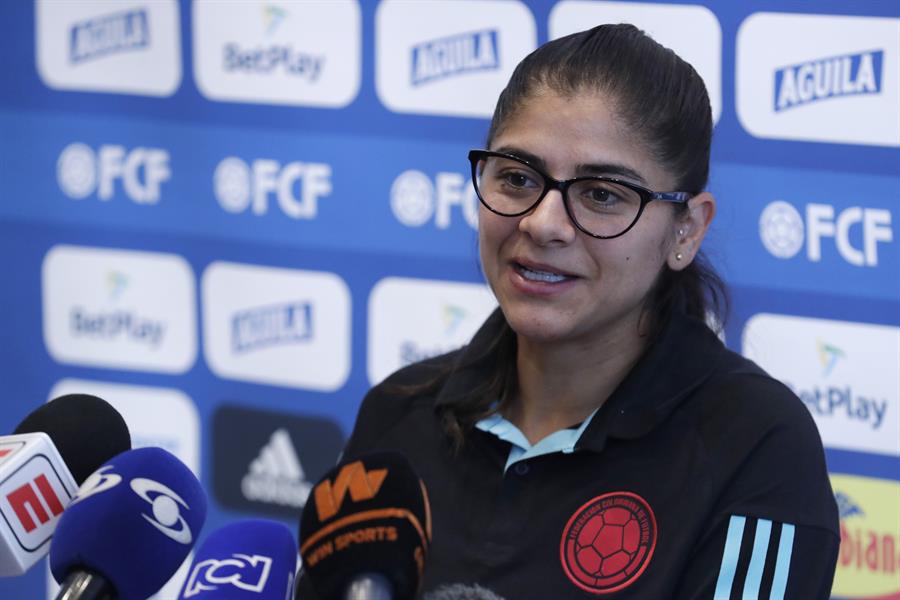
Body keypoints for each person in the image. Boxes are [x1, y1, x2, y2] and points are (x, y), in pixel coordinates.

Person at [298, 24, 839, 599]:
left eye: (601, 194)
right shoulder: (397, 412)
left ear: (686, 229)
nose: (543, 224)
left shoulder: (756, 445)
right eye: (517, 178)